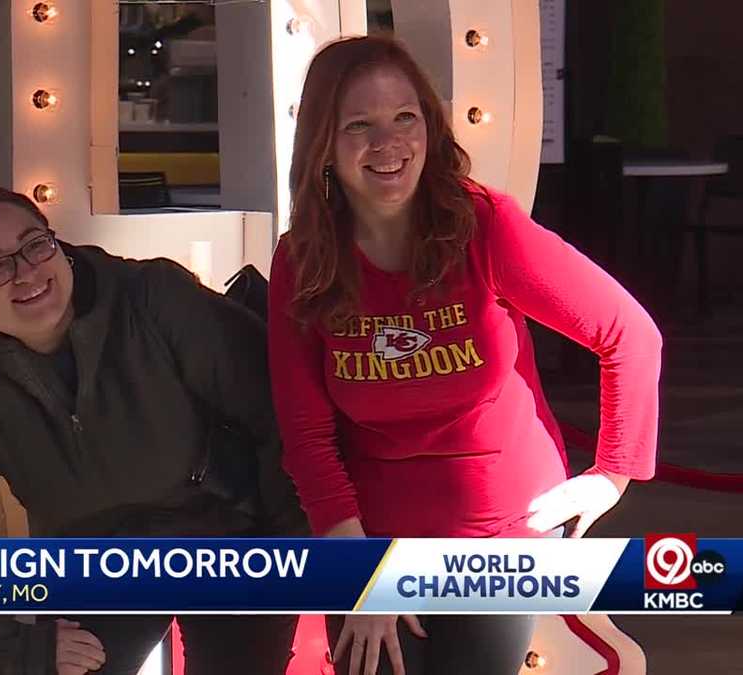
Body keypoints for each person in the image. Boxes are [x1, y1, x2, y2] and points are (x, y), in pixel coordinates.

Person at [267, 36, 661, 675]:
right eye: (359, 126)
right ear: (323, 148)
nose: (388, 144)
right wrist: (359, 571)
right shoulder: (302, 260)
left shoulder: (485, 227)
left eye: (405, 118)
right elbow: (306, 435)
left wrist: (612, 471)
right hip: (371, 539)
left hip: (498, 535)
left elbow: (629, 334)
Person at [0, 185, 304, 675]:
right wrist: (16, 651)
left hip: (229, 538)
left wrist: (290, 559)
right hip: (93, 565)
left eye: (34, 245)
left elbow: (278, 411)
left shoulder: (152, 296)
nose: (26, 272)